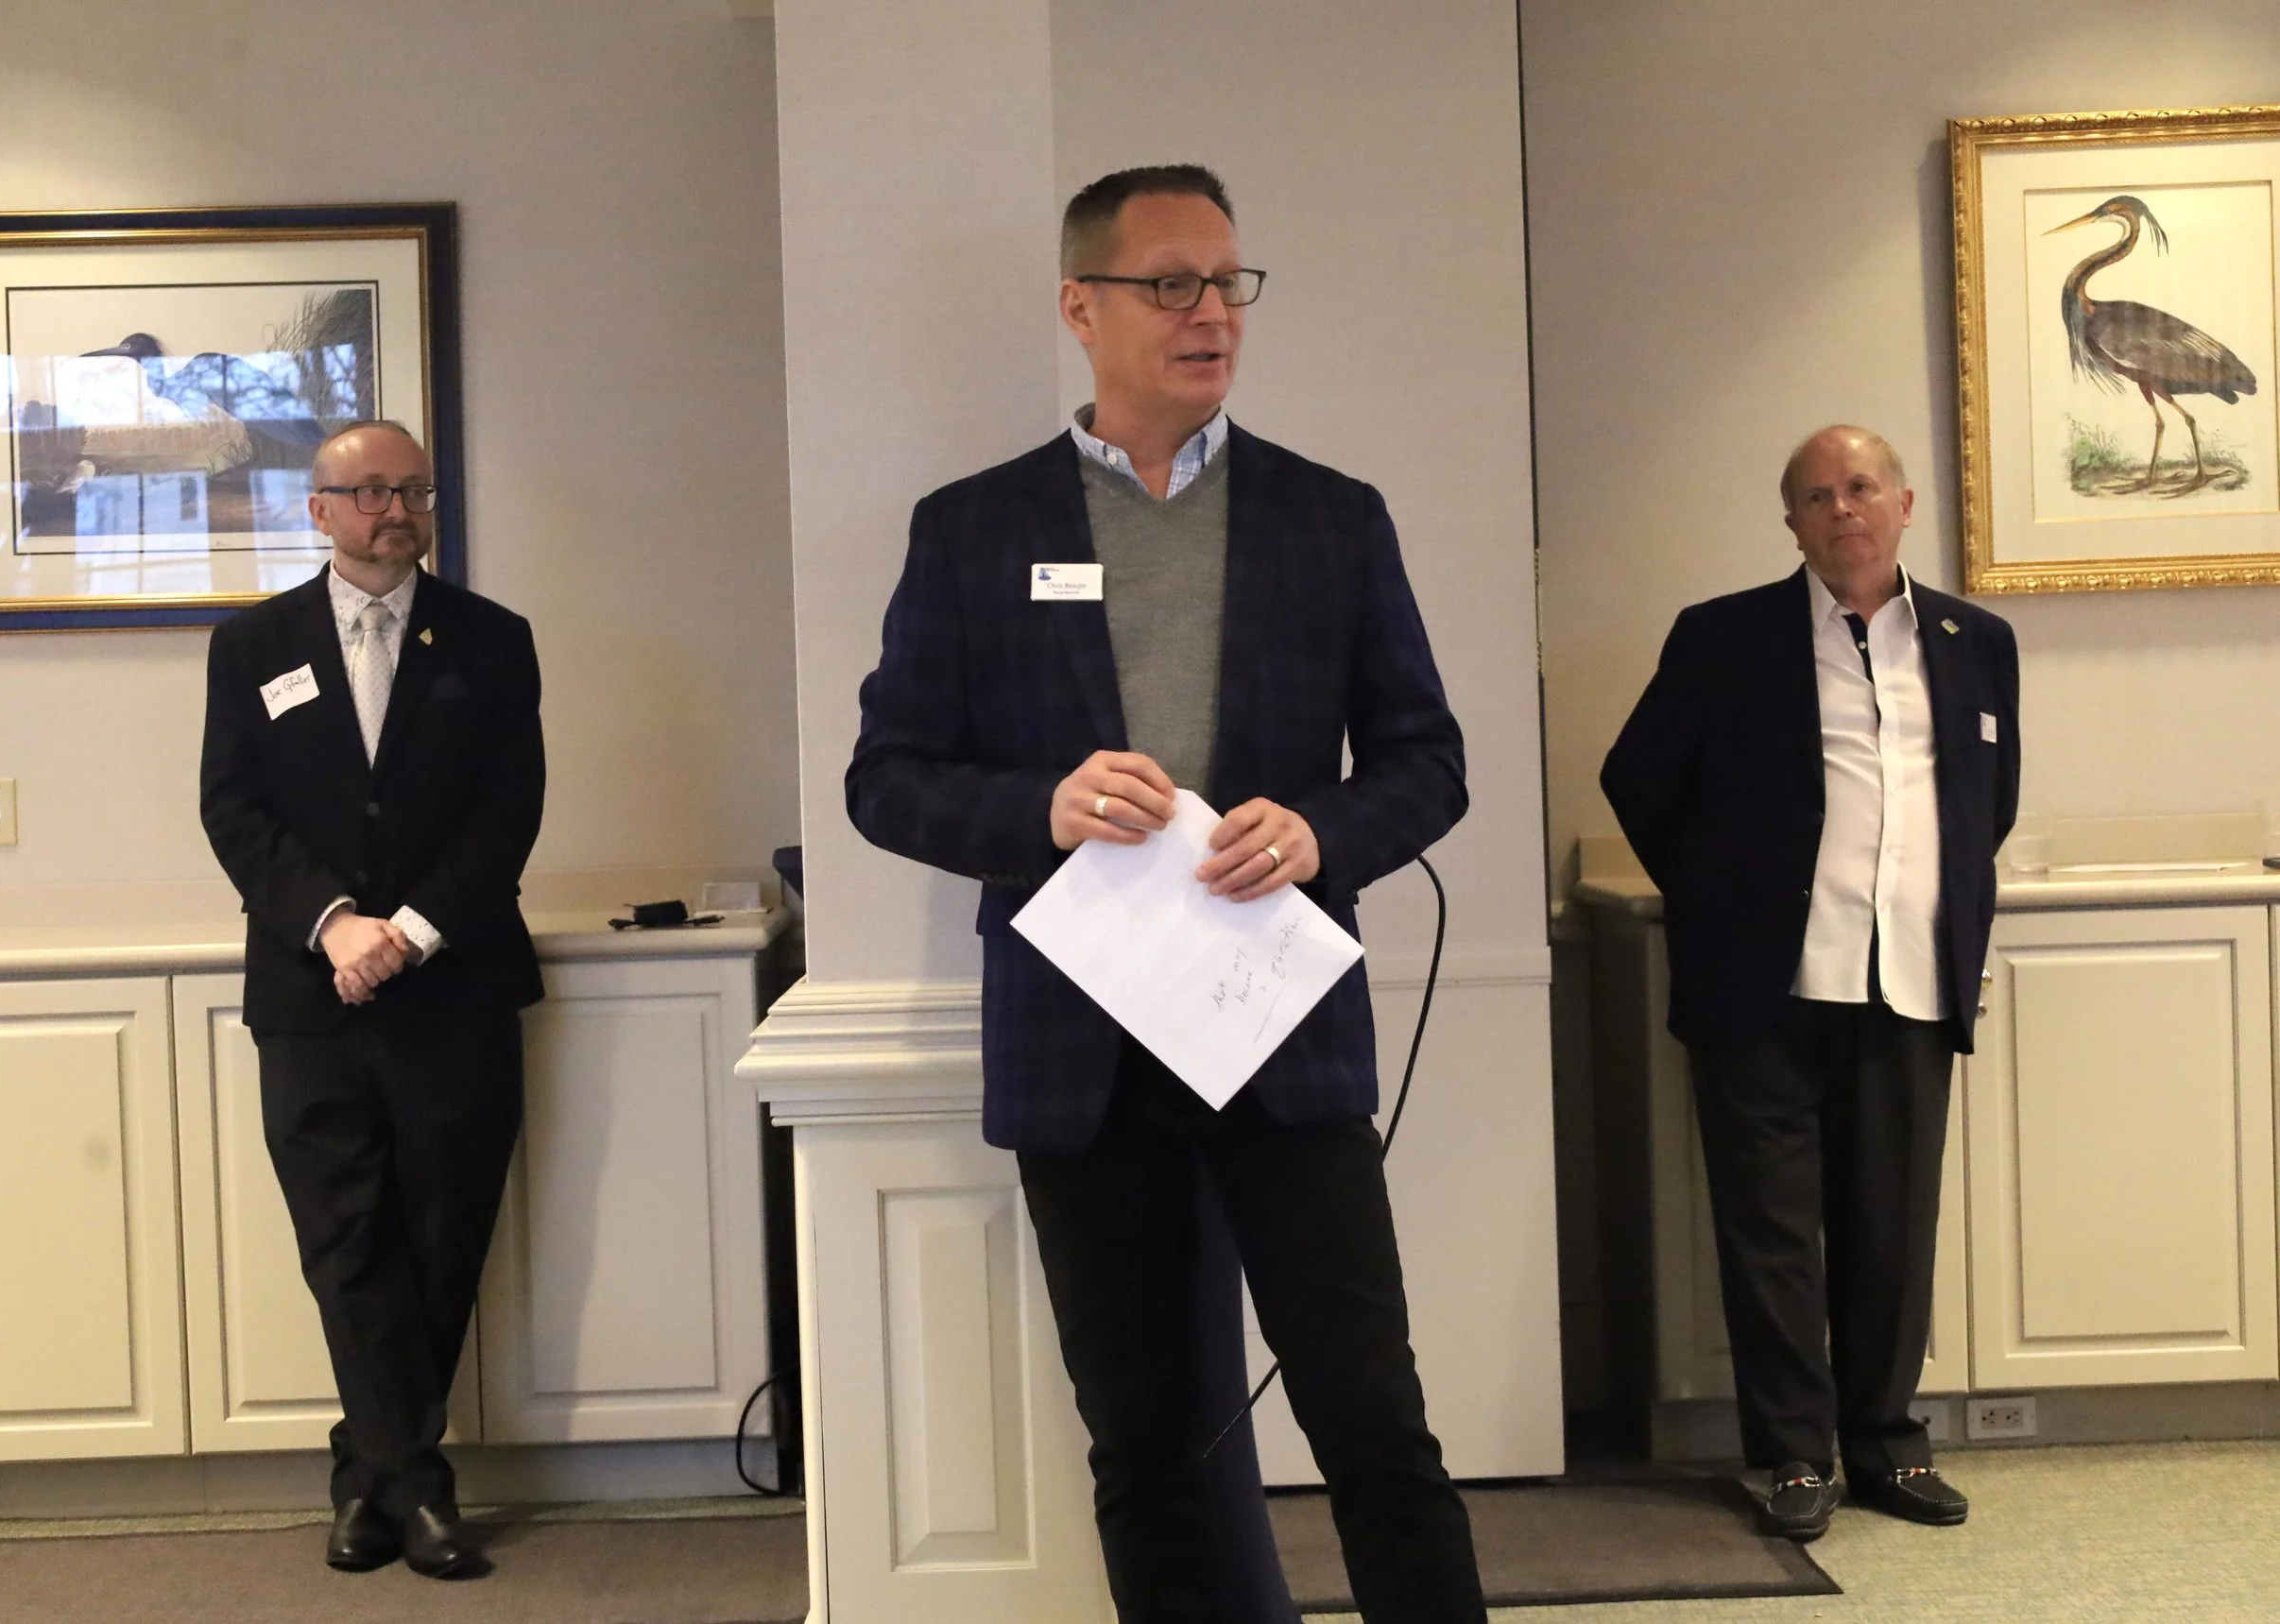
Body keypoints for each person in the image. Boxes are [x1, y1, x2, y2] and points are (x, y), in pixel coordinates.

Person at [848, 164, 1483, 1624]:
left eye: (1230, 282)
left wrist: (1322, 833)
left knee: (1372, 1420)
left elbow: (1427, 762)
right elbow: (886, 778)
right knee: (1147, 1441)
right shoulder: (971, 527)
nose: (1212, 314)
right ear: (1083, 306)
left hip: (1282, 1034)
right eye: (1171, 285)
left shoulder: (1332, 517)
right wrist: (1040, 808)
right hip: (1085, 1057)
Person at [1601, 424, 2019, 1542]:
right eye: (1818, 496)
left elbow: (1990, 800)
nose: (1843, 510)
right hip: (1763, 990)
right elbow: (1636, 778)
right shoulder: (1722, 639)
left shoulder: (1976, 641)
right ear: (1791, 522)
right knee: (1770, 1232)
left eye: (1862, 488)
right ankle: (1794, 1455)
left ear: (1904, 503)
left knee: (1891, 1227)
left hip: (1909, 979)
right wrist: (1715, 897)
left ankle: (1884, 1443)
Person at [199, 419, 545, 1579]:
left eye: (412, 490)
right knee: (345, 1244)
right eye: (369, 493)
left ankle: (370, 1481)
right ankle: (416, 1488)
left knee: (443, 1238)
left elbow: (508, 809)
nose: (396, 511)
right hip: (310, 996)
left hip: (455, 985)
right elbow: (234, 811)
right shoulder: (252, 644)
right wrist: (336, 926)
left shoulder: (492, 642)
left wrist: (407, 930)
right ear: (319, 510)